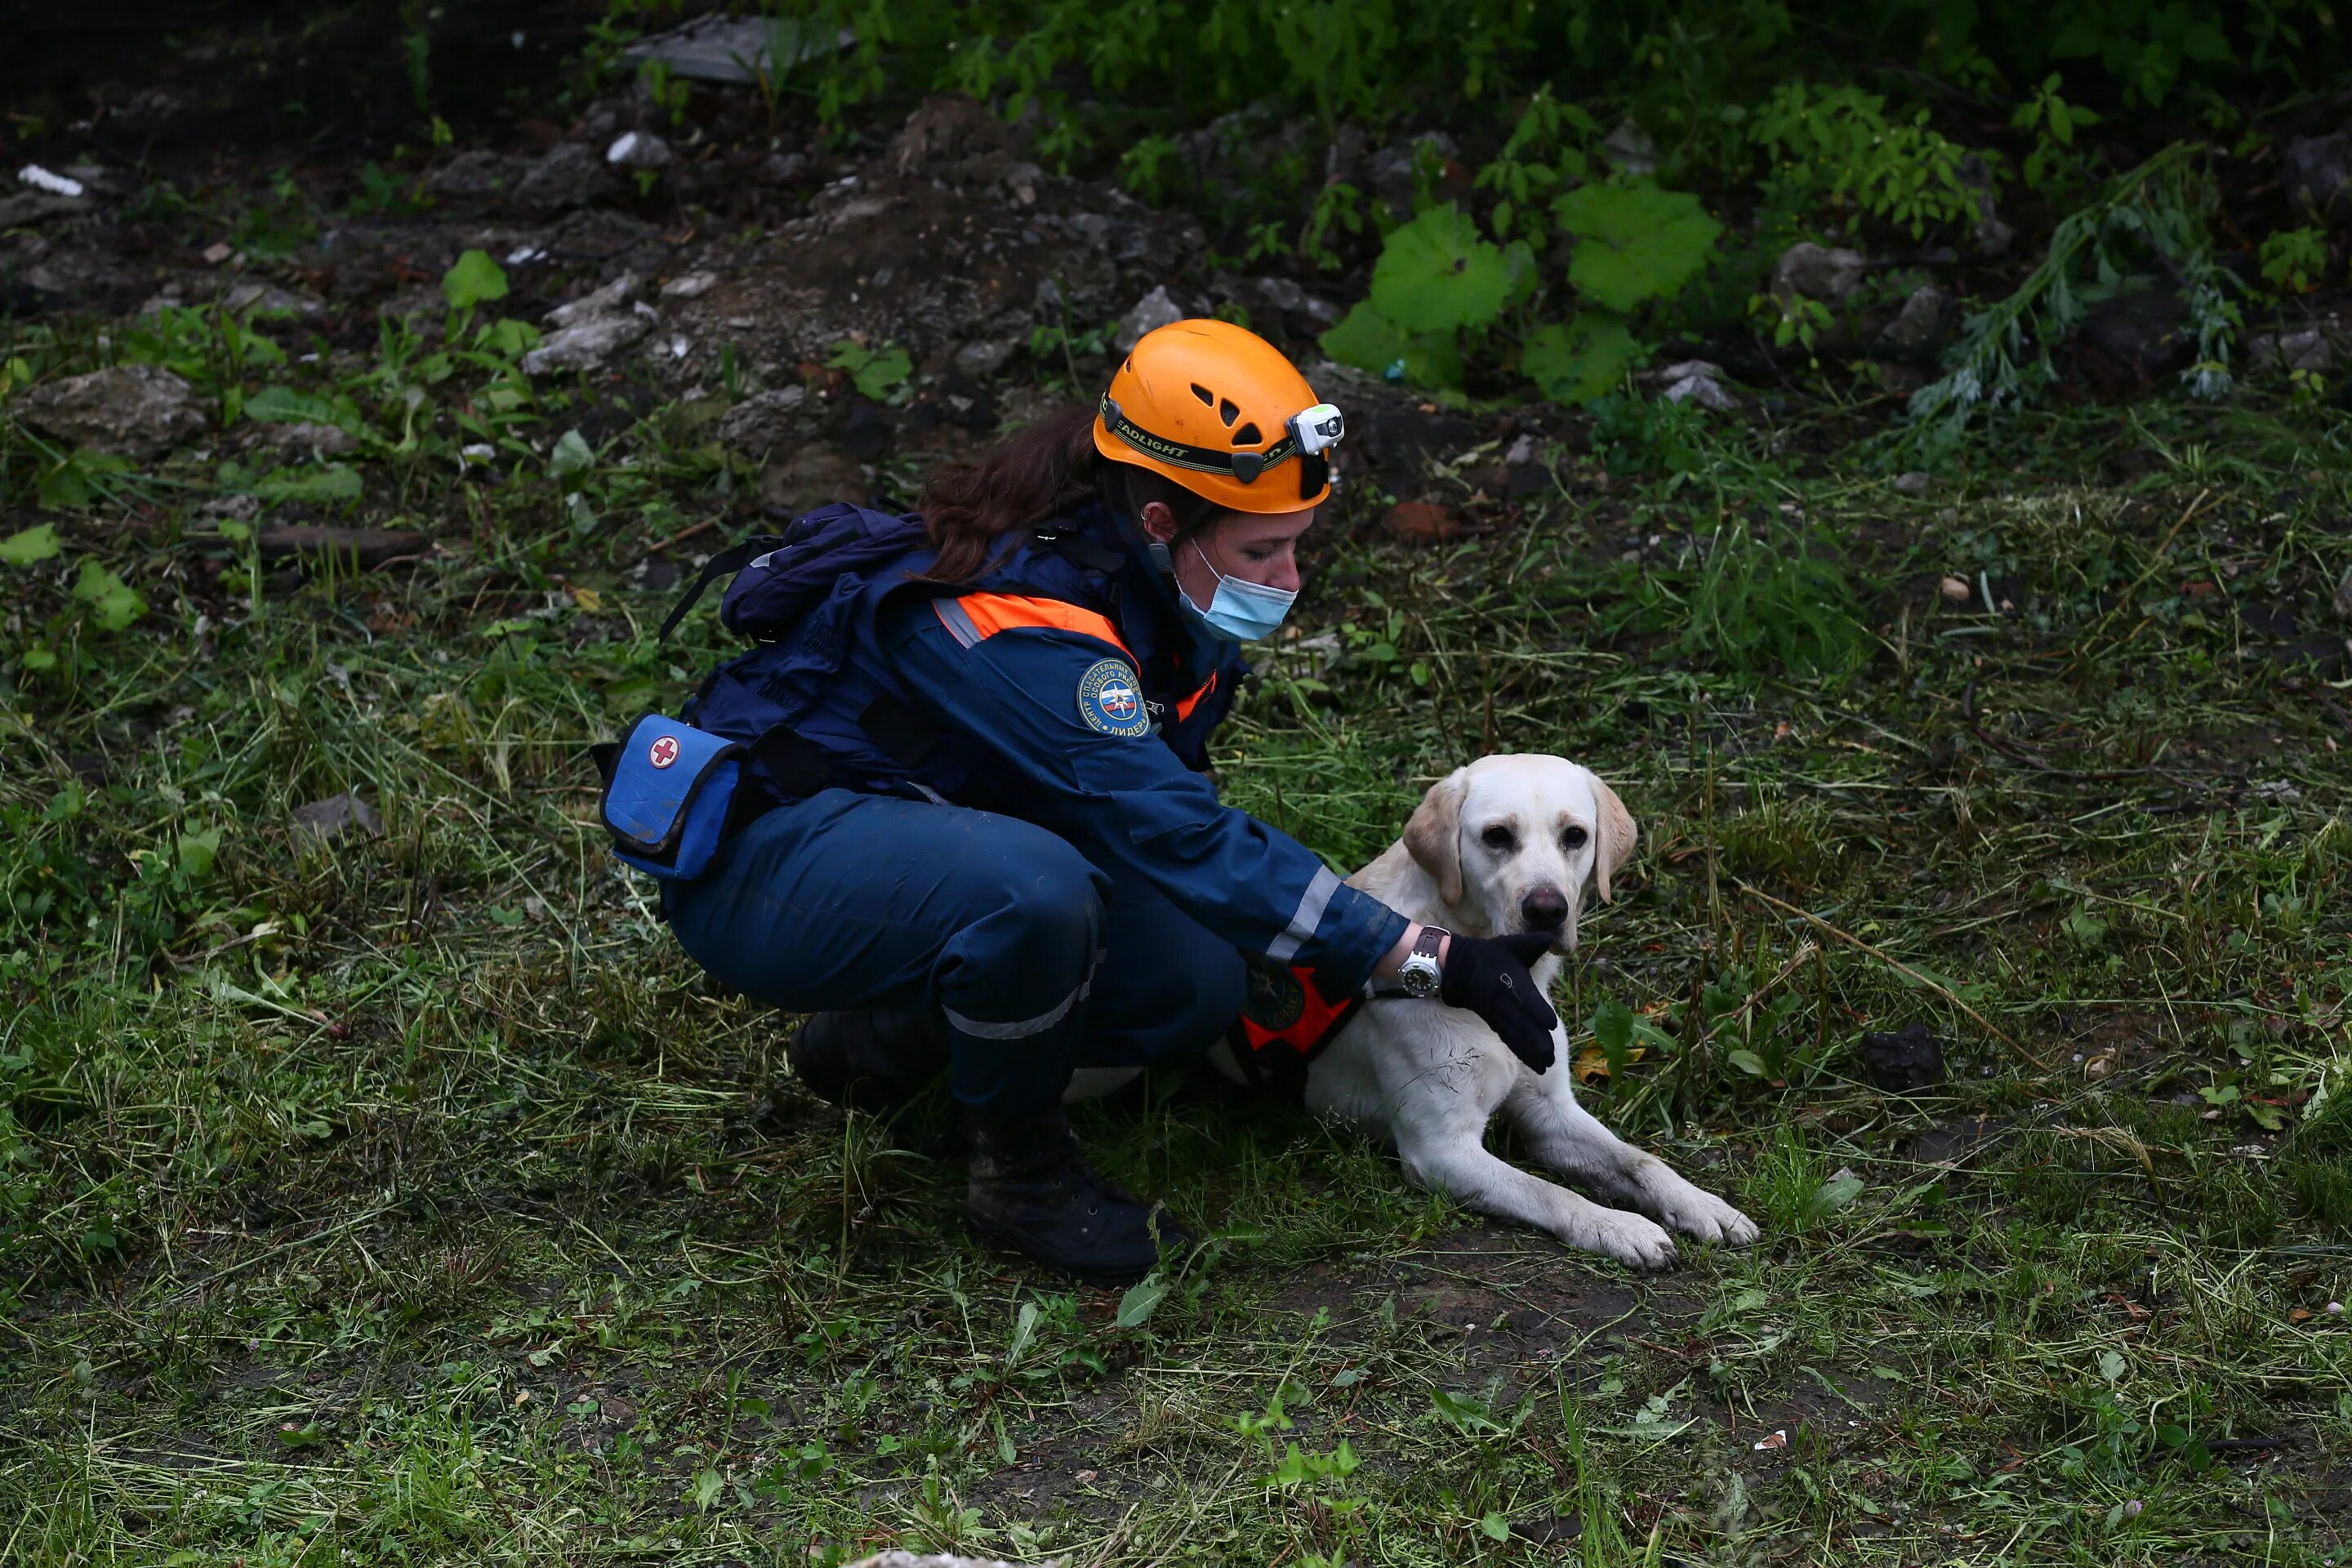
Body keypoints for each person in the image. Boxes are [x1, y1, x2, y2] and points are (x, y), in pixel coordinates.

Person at [656, 319, 1561, 1285]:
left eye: (1298, 546)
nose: (1290, 581)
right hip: (772, 869)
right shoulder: (1024, 619)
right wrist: (1422, 955)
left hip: (923, 850)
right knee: (1034, 892)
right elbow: (1169, 828)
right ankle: (1019, 1172)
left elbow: (1169, 831)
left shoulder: (1152, 585)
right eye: (1263, 552)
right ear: (1164, 518)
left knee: (1195, 973)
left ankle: (886, 1040)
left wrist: (1313, 962)